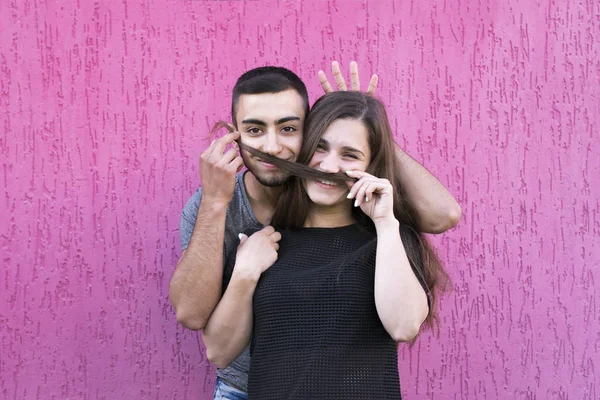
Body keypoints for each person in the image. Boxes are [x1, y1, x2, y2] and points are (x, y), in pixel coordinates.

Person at [169, 62, 461, 398]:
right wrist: (228, 231)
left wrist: (365, 121)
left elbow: (444, 217)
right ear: (234, 133)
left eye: (288, 129)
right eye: (254, 130)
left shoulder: (382, 229)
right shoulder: (239, 223)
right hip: (243, 387)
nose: (272, 147)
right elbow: (207, 337)